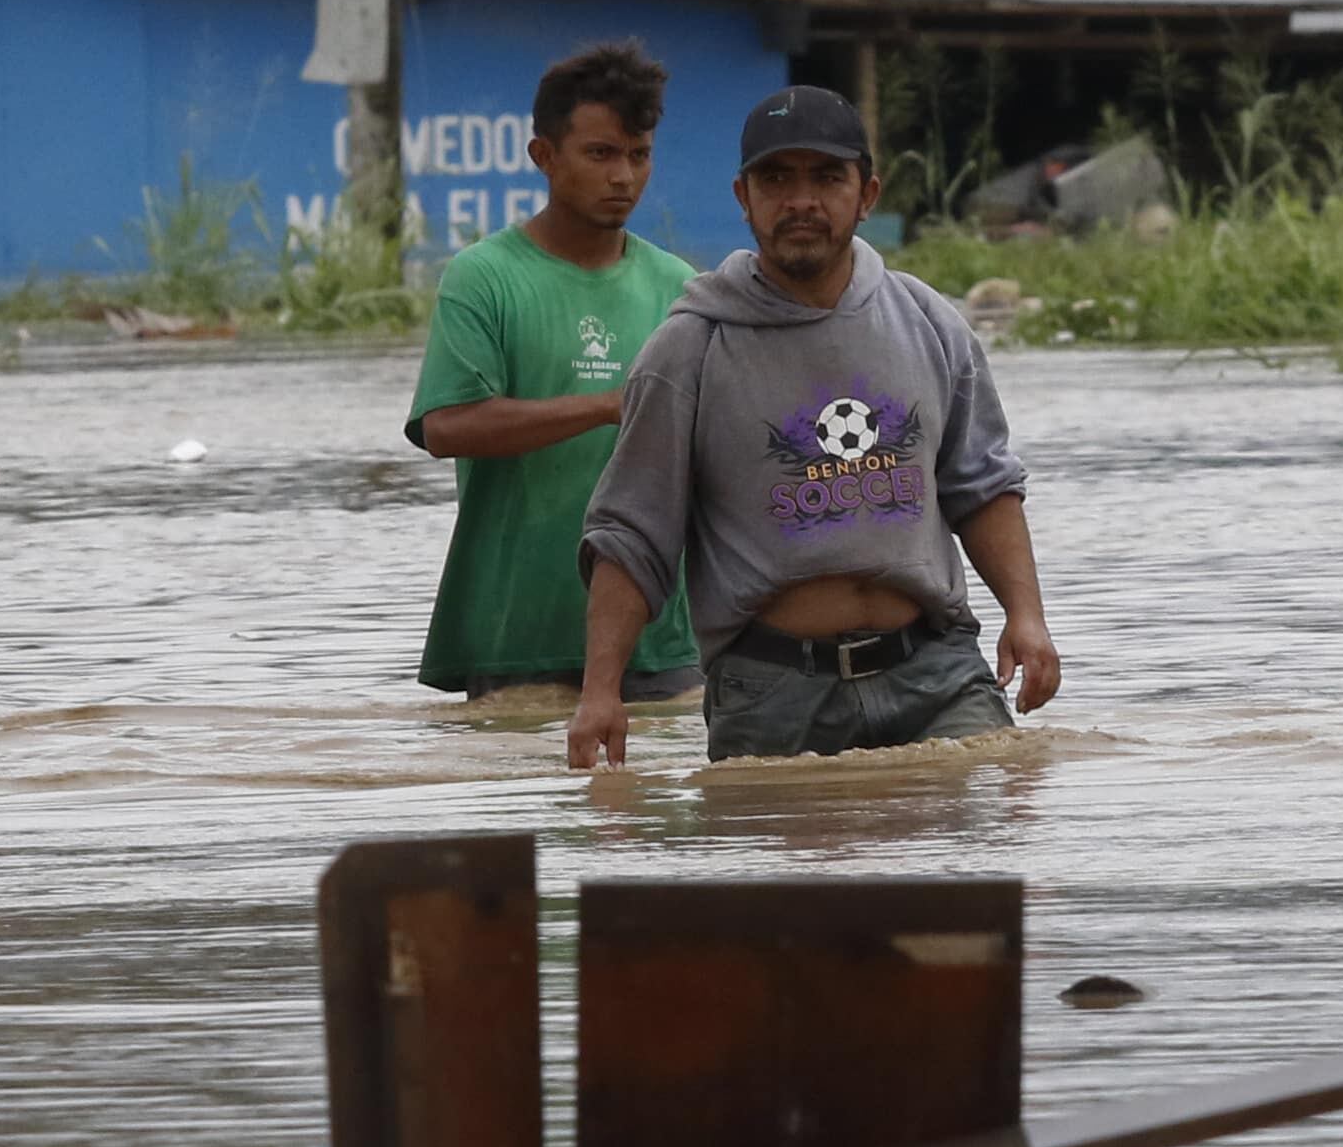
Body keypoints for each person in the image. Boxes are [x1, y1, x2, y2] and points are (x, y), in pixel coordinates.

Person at [570, 84, 1061, 768]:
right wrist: (600, 692)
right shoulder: (689, 349)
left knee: (1001, 811)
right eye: (777, 179)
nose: (801, 200)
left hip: (937, 673)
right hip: (772, 691)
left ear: (867, 195)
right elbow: (631, 535)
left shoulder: (928, 322)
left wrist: (1026, 616)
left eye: (827, 178)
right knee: (781, 841)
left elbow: (981, 486)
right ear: (744, 198)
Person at [402, 41, 703, 704]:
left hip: (660, 641)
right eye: (600, 154)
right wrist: (608, 405)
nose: (623, 176)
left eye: (639, 155)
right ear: (543, 156)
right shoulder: (483, 278)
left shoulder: (679, 287)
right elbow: (447, 427)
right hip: (518, 638)